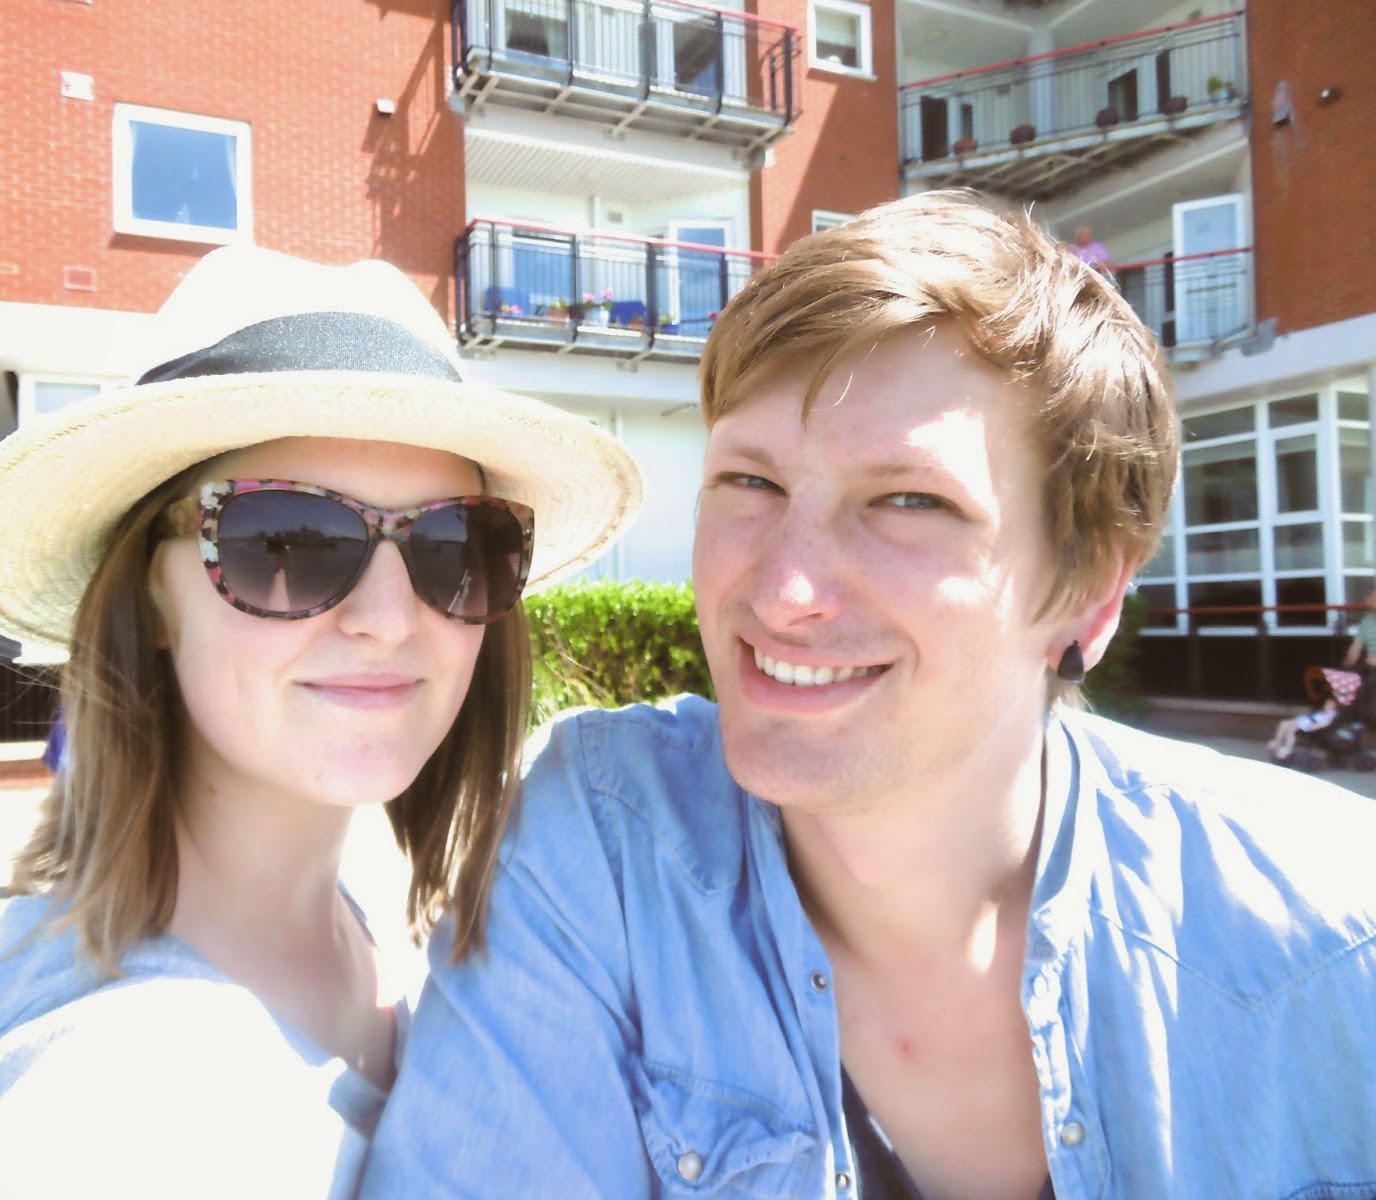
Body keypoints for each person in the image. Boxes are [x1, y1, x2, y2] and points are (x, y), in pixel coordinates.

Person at [362, 191, 1376, 1197]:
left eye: (907, 501)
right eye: (751, 483)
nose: (783, 590)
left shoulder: (1334, 945)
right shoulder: (607, 847)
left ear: (1089, 593)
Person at [0, 246, 641, 1199]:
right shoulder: (85, 1114)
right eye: (285, 540)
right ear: (150, 595)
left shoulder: (378, 920)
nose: (388, 619)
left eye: (456, 545)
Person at [1266, 695, 1339, 762]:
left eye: (1329, 704)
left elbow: (1325, 723)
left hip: (1310, 725)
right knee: (1284, 724)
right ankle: (1277, 742)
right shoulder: (1323, 711)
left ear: (1334, 706)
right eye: (1327, 703)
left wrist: (1315, 726)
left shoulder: (1331, 714)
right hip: (1305, 721)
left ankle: (1287, 749)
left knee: (1291, 729)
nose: (1326, 705)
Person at [1342, 587, 1376, 668]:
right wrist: (1348, 661)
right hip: (1371, 669)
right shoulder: (1366, 621)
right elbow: (1356, 647)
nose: (1369, 601)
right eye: (1371, 598)